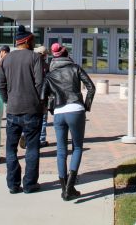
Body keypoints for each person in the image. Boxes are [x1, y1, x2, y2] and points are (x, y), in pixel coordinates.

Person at [41, 42, 95, 201]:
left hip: (59, 112)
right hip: (75, 110)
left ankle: (64, 188)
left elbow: (42, 96)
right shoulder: (75, 68)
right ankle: (70, 188)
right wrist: (86, 106)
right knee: (77, 147)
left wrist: (51, 109)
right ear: (66, 55)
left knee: (61, 150)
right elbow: (91, 87)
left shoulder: (50, 74)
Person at [0, 25, 44, 194]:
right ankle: (30, 184)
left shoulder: (5, 59)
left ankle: (13, 184)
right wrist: (40, 102)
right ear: (26, 41)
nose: (34, 42)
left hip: (13, 110)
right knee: (32, 148)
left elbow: (0, 85)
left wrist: (8, 101)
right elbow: (40, 84)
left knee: (11, 149)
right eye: (32, 40)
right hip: (32, 109)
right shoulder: (35, 58)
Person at [34, 45, 49, 147]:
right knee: (43, 119)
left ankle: (27, 136)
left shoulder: (32, 64)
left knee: (31, 117)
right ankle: (41, 139)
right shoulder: (47, 66)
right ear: (45, 55)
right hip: (44, 95)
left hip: (32, 95)